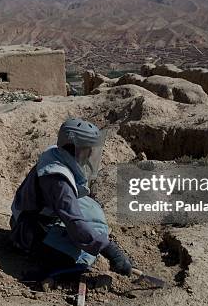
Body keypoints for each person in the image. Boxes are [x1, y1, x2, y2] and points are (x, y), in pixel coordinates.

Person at [10, 118, 132, 275]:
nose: (90, 155)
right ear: (76, 148)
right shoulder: (57, 179)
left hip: (36, 214)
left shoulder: (56, 153)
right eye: (88, 149)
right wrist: (109, 250)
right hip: (27, 228)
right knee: (72, 256)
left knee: (92, 211)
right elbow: (74, 222)